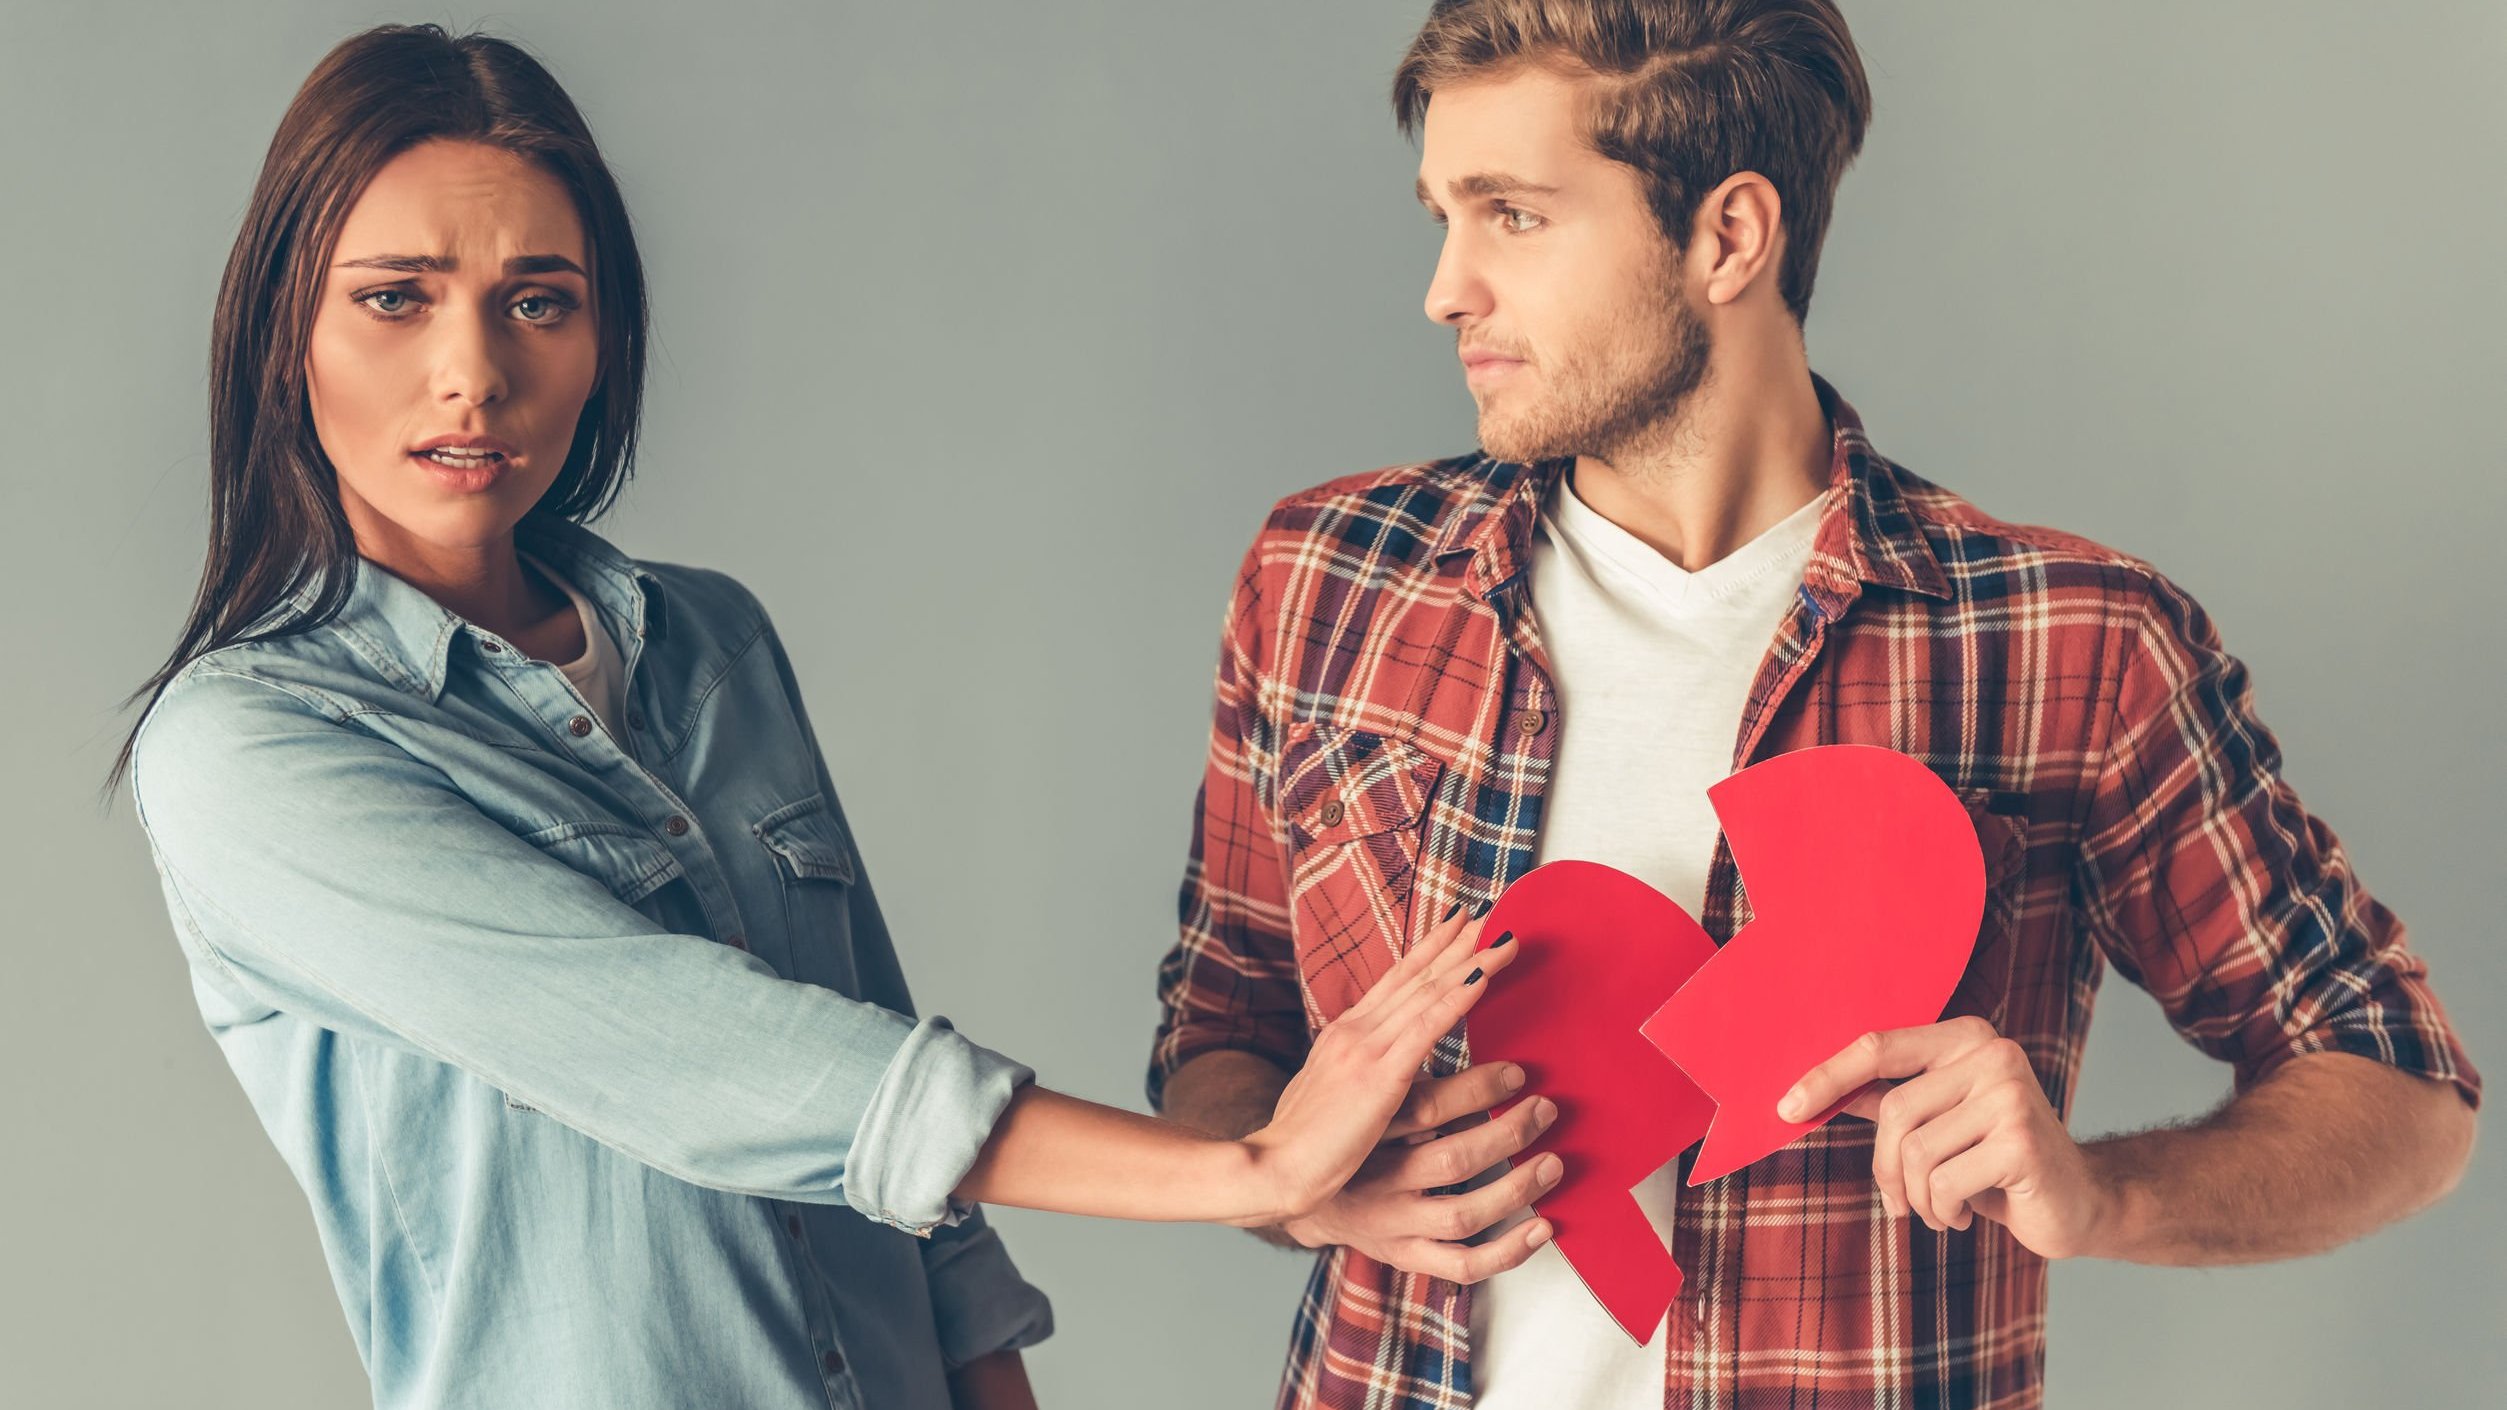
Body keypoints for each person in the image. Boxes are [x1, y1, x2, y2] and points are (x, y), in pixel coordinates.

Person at [107, 25, 1539, 1410]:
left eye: (538, 298)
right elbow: (699, 1053)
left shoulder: (710, 641)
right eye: (395, 297)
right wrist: (1254, 1171)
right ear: (285, 321)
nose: (473, 372)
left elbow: (890, 1100)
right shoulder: (249, 749)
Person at [1146, 3, 2482, 1407]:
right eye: (1444, 213)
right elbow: (1222, 1026)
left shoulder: (2070, 645)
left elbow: (2401, 1088)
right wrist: (1297, 1182)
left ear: (1729, 236)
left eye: (1514, 216)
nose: (1446, 286)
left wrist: (2098, 1195)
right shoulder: (1329, 583)